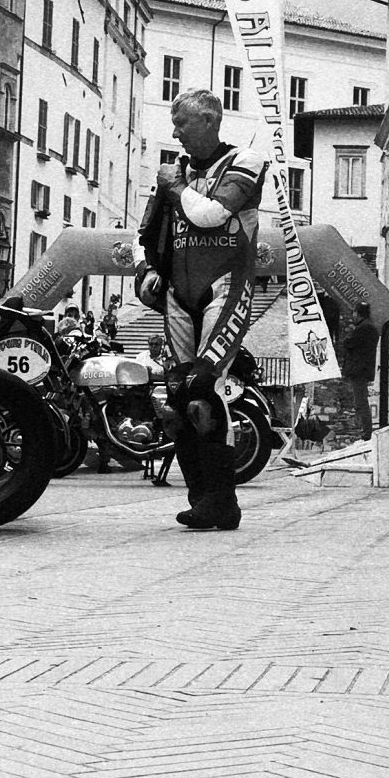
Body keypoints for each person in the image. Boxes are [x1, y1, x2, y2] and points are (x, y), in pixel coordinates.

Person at [135, 89, 267, 531]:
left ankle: (223, 502)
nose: (175, 133)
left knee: (202, 392)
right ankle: (201, 501)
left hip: (225, 287)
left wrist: (175, 187)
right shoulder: (174, 174)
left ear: (210, 121)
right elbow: (144, 235)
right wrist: (146, 272)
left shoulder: (245, 161)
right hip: (178, 293)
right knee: (174, 399)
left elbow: (210, 215)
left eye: (182, 124)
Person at [336, 302, 379, 441]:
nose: (353, 316)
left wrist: (346, 341)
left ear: (358, 313)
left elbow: (349, 343)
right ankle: (365, 431)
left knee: (361, 402)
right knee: (360, 401)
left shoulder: (364, 328)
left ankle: (366, 432)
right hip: (362, 369)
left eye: (354, 313)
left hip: (359, 370)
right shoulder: (368, 327)